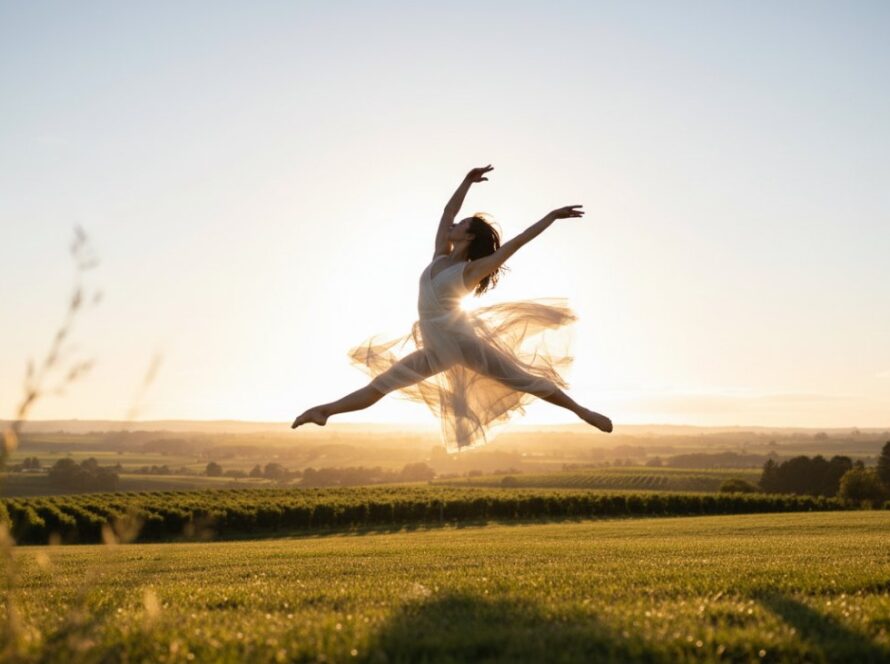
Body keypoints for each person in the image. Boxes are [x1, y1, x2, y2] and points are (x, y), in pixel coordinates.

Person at [292, 164, 612, 449]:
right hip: (435, 349)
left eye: (461, 225)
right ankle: (324, 411)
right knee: (381, 386)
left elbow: (517, 242)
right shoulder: (439, 257)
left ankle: (581, 411)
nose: (453, 225)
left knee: (525, 380)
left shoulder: (471, 271)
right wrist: (466, 181)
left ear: (469, 237)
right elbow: (447, 212)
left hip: (462, 343)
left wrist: (551, 217)